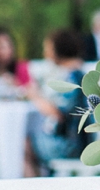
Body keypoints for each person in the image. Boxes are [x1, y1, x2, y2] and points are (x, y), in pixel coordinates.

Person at [27, 29, 85, 174]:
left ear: (59, 49)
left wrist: (34, 96)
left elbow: (58, 114)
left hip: (71, 146)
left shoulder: (71, 77)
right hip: (81, 142)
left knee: (24, 143)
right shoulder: (79, 73)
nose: (45, 53)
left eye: (48, 48)